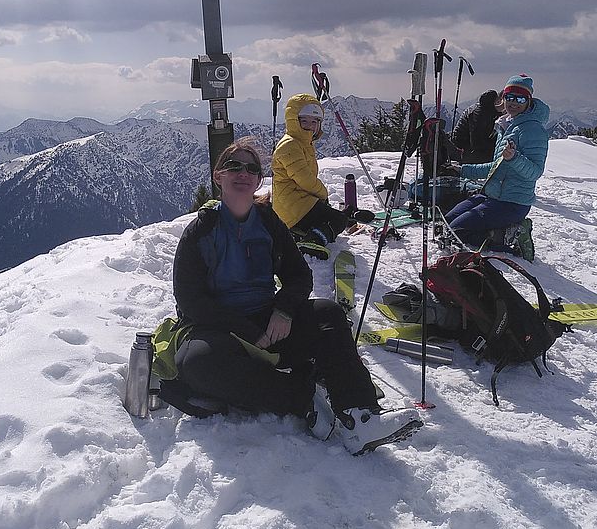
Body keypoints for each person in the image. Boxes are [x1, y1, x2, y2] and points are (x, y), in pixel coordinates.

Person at [170, 137, 423, 455]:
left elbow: (298, 275)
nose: (243, 172)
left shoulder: (267, 222)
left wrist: (285, 310)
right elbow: (190, 301)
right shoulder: (201, 231)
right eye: (234, 165)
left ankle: (360, 419)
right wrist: (247, 332)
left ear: (258, 180)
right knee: (196, 364)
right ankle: (301, 397)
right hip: (220, 330)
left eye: (252, 168)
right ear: (218, 176)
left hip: (269, 319)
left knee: (328, 315)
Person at [446, 75, 549, 248]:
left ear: (528, 101)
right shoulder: (507, 126)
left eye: (520, 98)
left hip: (513, 203)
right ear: (503, 98)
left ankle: (511, 238)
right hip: (492, 195)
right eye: (509, 97)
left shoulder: (533, 129)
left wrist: (514, 158)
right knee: (446, 222)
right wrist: (462, 170)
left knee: (457, 232)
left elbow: (535, 172)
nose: (513, 102)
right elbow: (496, 167)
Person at [271, 94, 347, 259]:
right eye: (304, 121)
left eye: (314, 122)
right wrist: (323, 194)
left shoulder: (302, 143)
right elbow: (305, 179)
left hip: (296, 202)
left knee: (330, 216)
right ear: (294, 121)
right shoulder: (290, 145)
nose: (310, 126)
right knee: (338, 220)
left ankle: (298, 232)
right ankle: (312, 241)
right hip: (292, 206)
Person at [450, 90, 502, 165]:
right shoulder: (479, 114)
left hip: (467, 147)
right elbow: (477, 143)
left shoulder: (487, 110)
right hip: (464, 150)